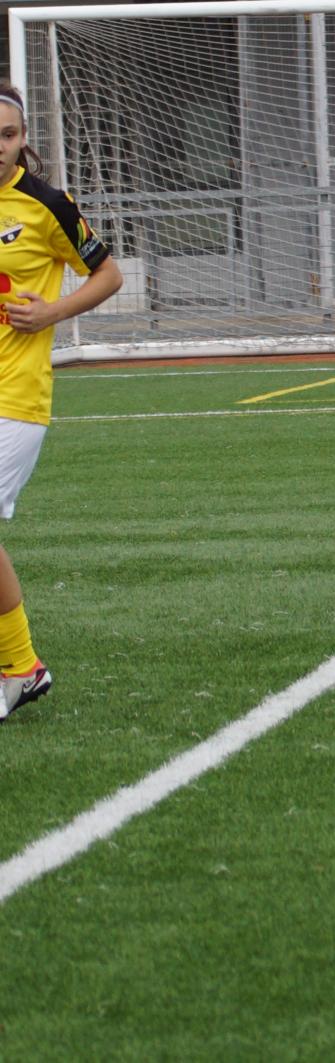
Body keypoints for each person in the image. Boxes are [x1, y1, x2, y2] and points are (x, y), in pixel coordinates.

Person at [0, 82, 123, 722]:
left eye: (9, 135)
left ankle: (21, 667)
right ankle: (20, 668)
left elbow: (108, 273)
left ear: (24, 141)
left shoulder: (46, 205)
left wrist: (52, 311)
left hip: (14, 398)